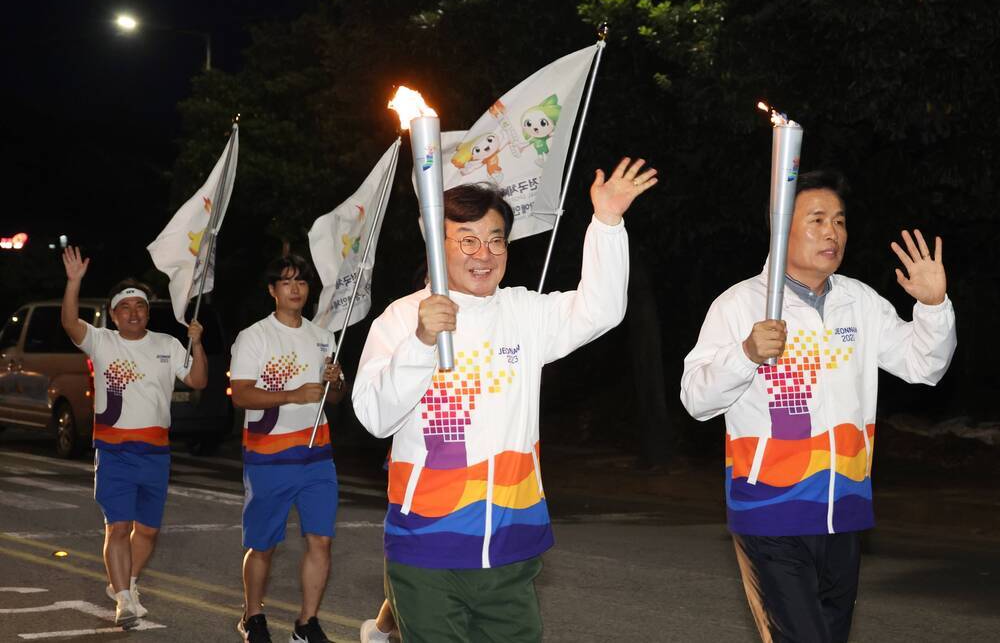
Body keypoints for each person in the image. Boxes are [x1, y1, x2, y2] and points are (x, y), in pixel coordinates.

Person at [352, 157, 658, 642]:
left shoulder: (522, 312)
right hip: (428, 542)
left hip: (512, 544)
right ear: (437, 244)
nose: (484, 253)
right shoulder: (400, 319)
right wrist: (421, 343)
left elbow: (600, 309)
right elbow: (374, 416)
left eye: (495, 239)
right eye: (467, 240)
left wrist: (607, 222)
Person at [680, 170, 957, 642]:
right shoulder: (738, 305)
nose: (833, 233)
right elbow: (696, 399)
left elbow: (922, 366)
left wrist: (933, 306)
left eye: (840, 221)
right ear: (782, 226)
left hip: (845, 511)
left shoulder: (859, 302)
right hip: (771, 511)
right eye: (817, 220)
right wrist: (744, 355)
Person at [60, 246, 208, 629]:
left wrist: (198, 342)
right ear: (113, 315)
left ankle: (127, 582)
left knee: (148, 531)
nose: (133, 313)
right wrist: (74, 282)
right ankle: (124, 598)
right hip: (114, 451)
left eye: (139, 307)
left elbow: (198, 380)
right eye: (125, 308)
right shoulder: (102, 342)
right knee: (118, 527)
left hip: (156, 452)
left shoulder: (167, 345)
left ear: (147, 311)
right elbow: (70, 323)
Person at [230, 254, 346, 643]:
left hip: (317, 455)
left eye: (301, 282)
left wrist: (336, 382)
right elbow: (241, 396)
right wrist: (294, 393)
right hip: (268, 457)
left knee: (321, 539)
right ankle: (253, 616)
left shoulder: (323, 336)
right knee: (263, 546)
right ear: (272, 290)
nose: (295, 289)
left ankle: (306, 623)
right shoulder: (254, 336)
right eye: (286, 282)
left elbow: (335, 398)